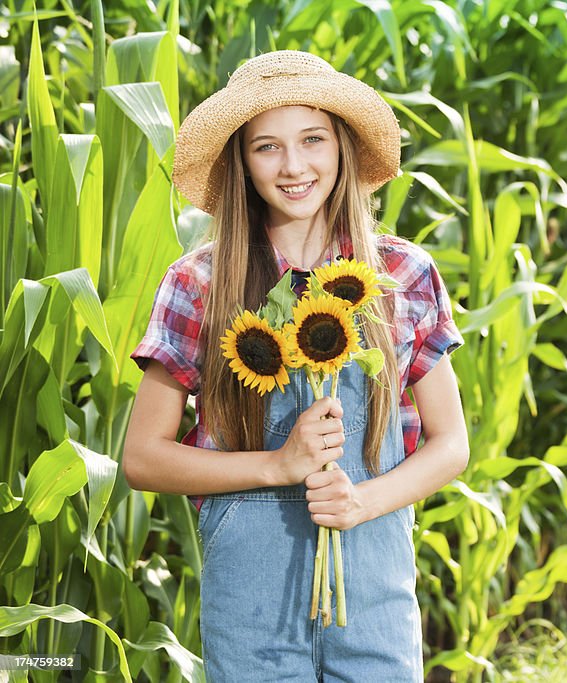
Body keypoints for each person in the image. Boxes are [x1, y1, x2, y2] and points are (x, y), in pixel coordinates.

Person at [122, 50, 470, 681]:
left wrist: (363, 501)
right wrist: (277, 465)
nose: (293, 166)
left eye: (312, 139)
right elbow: (142, 458)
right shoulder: (199, 283)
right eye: (266, 147)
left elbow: (451, 446)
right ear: (241, 162)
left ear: (341, 148)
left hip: (374, 596)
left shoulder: (400, 274)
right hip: (250, 602)